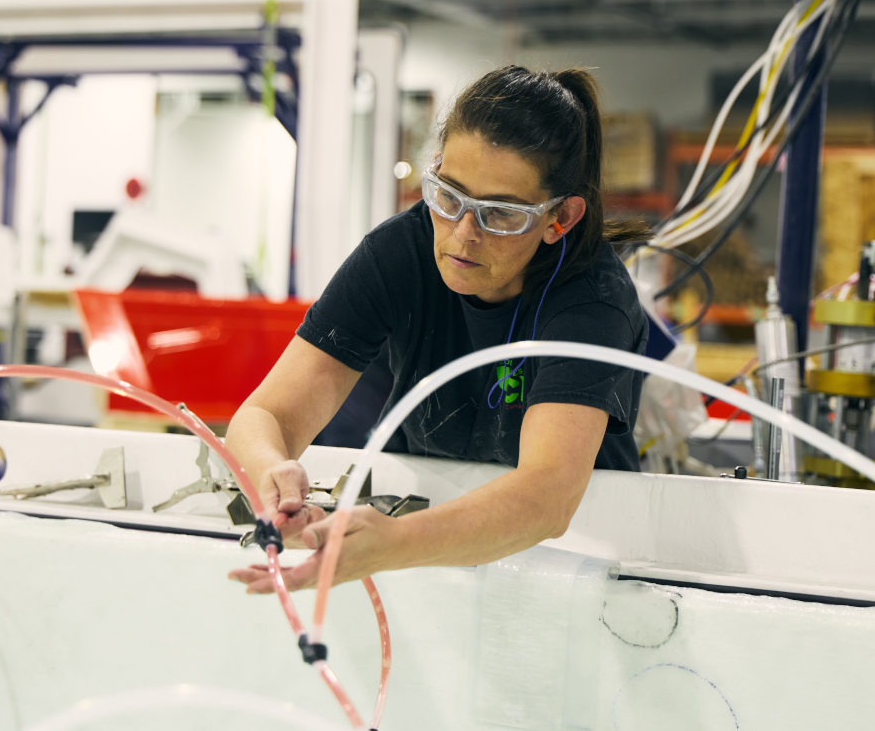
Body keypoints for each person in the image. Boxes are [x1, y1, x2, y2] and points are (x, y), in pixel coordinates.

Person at [226, 65, 649, 594]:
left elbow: (548, 497)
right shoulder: (398, 253)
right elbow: (266, 415)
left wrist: (396, 543)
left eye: (501, 214)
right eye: (448, 195)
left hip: (574, 563)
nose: (463, 234)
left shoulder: (592, 301)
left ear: (559, 218)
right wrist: (271, 470)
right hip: (425, 540)